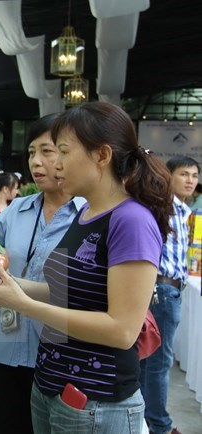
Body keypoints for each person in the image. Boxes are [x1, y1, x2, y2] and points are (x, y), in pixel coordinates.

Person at [0, 102, 173, 434]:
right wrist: (13, 286)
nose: (56, 164)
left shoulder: (131, 220)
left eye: (63, 152)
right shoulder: (87, 214)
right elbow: (64, 293)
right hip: (53, 389)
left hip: (95, 402)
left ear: (102, 155)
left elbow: (122, 330)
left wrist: (25, 306)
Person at [0, 114, 86, 434]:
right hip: (4, 348)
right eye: (30, 152)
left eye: (47, 151)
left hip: (59, 360)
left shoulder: (91, 216)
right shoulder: (18, 208)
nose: (35, 162)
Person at [141, 156, 199, 434]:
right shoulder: (163, 208)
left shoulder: (184, 211)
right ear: (169, 177)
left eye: (194, 175)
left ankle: (147, 420)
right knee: (159, 363)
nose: (190, 180)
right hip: (162, 290)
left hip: (171, 288)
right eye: (184, 174)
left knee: (152, 359)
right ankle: (160, 426)